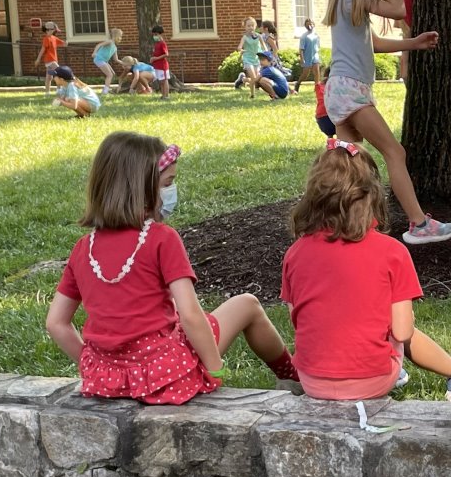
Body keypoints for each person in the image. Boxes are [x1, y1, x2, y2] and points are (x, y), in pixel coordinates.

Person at [46, 132, 299, 405]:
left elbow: (56, 323)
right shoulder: (161, 239)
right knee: (247, 304)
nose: (171, 191)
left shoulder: (83, 248)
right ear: (141, 188)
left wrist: (99, 369)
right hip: (166, 375)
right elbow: (191, 315)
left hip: (108, 382)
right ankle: (293, 377)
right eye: (168, 183)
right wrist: (214, 368)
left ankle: (292, 377)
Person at [281, 138, 451, 400]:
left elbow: (297, 320)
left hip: (312, 381)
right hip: (373, 381)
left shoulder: (295, 253)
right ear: (371, 195)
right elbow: (403, 332)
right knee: (395, 326)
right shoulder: (392, 252)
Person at [325, 0, 451, 244]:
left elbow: (373, 43)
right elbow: (399, 10)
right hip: (350, 90)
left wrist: (414, 43)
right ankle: (419, 224)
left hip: (340, 90)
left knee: (352, 165)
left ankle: (341, 224)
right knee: (394, 152)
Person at [233, 18, 263, 97]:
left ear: (255, 26)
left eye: (252, 25)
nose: (250, 27)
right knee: (253, 77)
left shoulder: (259, 36)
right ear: (245, 27)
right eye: (248, 26)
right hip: (247, 59)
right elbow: (239, 47)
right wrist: (241, 50)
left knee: (256, 78)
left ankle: (243, 79)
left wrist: (266, 54)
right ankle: (252, 95)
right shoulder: (244, 37)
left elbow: (264, 46)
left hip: (256, 59)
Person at [36, 21, 66, 96]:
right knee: (59, 72)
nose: (54, 31)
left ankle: (47, 92)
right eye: (53, 30)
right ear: (48, 30)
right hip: (49, 60)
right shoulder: (46, 39)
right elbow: (42, 49)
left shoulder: (54, 38)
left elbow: (63, 43)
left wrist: (66, 43)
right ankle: (59, 90)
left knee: (49, 77)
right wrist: (38, 59)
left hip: (53, 60)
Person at [91, 28, 123, 96]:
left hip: (104, 61)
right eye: (120, 36)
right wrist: (94, 52)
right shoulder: (110, 42)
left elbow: (116, 59)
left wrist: (124, 63)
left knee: (112, 74)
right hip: (99, 59)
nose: (121, 38)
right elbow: (99, 45)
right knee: (109, 75)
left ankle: (107, 89)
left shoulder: (115, 48)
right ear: (116, 35)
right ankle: (105, 92)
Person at [294, 19, 321, 94]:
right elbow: (301, 49)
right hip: (307, 56)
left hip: (315, 55)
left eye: (311, 24)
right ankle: (298, 83)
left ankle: (317, 88)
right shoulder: (304, 36)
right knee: (305, 74)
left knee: (317, 72)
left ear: (314, 25)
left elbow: (318, 46)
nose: (310, 25)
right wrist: (302, 58)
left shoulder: (316, 35)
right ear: (305, 26)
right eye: (308, 24)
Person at [150, 24, 171, 100]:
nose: (154, 36)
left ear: (160, 34)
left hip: (163, 66)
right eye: (153, 35)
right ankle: (163, 95)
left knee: (164, 81)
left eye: (156, 34)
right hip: (157, 66)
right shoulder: (157, 44)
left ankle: (166, 95)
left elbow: (166, 54)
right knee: (161, 81)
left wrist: (156, 58)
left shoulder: (162, 43)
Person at [314, 65, 335, 136]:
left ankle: (330, 138)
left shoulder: (319, 86)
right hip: (336, 120)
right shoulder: (340, 87)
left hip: (322, 120)